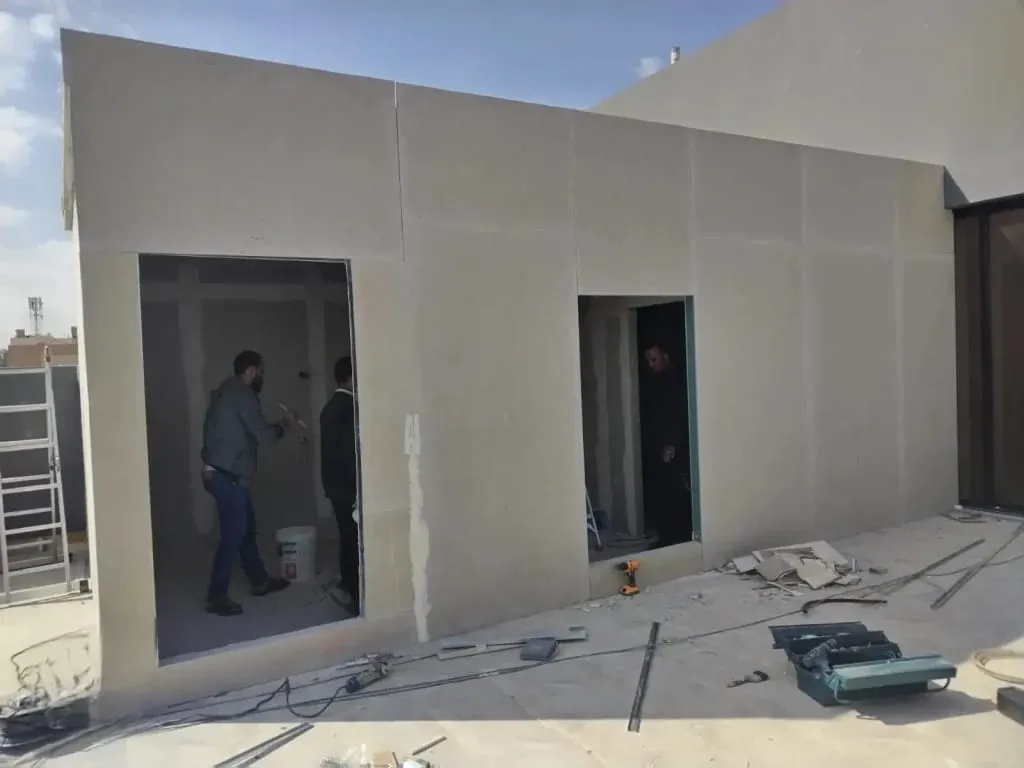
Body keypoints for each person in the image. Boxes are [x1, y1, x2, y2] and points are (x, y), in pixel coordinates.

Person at [200, 350, 293, 617]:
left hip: (221, 474)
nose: (262, 377)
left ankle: (259, 581)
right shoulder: (243, 395)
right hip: (226, 477)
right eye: (261, 372)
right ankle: (216, 596)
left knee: (246, 529)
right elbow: (265, 436)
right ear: (251, 371)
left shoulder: (225, 391)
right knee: (233, 536)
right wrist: (285, 424)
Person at [319, 355, 360, 614]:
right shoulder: (349, 409)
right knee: (354, 541)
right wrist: (360, 490)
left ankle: (348, 585)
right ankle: (356, 596)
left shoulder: (330, 407)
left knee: (347, 537)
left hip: (335, 486)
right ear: (350, 377)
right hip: (349, 488)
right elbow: (350, 454)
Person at [642, 341, 692, 546]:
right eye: (648, 360)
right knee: (663, 491)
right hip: (659, 445)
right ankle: (667, 535)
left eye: (654, 359)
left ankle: (676, 536)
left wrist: (672, 443)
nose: (651, 365)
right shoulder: (656, 382)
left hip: (677, 448)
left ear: (666, 356)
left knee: (676, 492)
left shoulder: (678, 381)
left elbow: (680, 414)